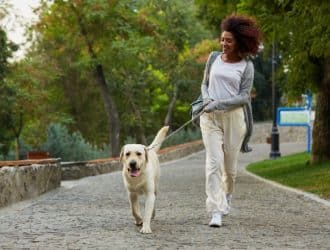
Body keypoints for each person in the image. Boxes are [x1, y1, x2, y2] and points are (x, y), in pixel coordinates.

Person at [199, 14, 262, 227]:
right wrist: (207, 98)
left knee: (230, 171)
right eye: (222, 39)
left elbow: (244, 96)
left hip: (234, 119)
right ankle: (216, 210)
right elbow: (204, 84)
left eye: (229, 40)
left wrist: (219, 103)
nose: (223, 44)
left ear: (239, 43)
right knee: (213, 163)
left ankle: (227, 196)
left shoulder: (246, 67)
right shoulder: (213, 58)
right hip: (209, 118)